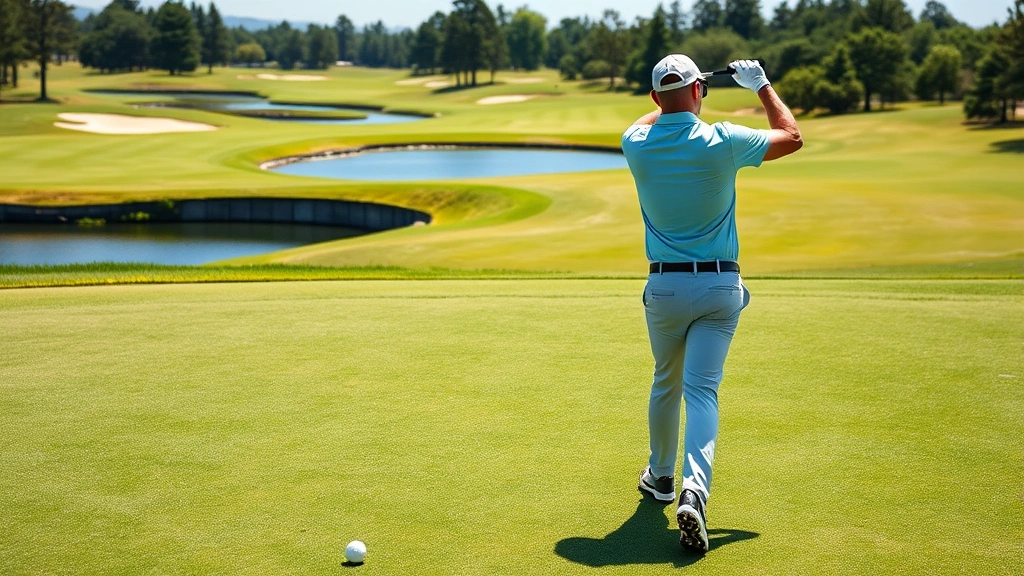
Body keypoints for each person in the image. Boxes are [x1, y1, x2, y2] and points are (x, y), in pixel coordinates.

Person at [621, 55, 803, 552]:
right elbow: (791, 136)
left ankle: (660, 477)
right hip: (721, 288)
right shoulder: (723, 139)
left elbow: (650, 118)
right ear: (701, 91)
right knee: (702, 391)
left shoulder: (635, 144)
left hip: (664, 287)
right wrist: (761, 85)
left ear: (656, 97)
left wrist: (679, 98)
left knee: (667, 381)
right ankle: (693, 493)